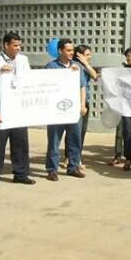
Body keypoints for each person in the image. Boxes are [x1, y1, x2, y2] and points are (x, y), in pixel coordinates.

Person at [0, 32, 35, 190]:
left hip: (19, 105)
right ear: (6, 45)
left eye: (19, 45)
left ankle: (21, 174)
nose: (18, 48)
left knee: (21, 141)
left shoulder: (23, 60)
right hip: (2, 104)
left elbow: (29, 81)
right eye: (15, 45)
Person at [45, 38, 87, 181]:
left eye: (72, 50)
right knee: (54, 140)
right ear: (60, 51)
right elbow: (48, 86)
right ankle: (52, 169)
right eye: (68, 50)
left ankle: (73, 167)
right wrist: (68, 72)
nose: (71, 53)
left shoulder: (77, 66)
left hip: (74, 109)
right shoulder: (51, 66)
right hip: (56, 111)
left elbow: (82, 86)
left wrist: (82, 104)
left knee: (75, 139)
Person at [70, 44, 98, 167]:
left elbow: (95, 76)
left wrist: (86, 63)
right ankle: (71, 157)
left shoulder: (85, 66)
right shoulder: (74, 66)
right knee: (74, 131)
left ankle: (76, 156)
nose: (90, 56)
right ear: (79, 55)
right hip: (74, 102)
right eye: (87, 54)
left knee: (81, 131)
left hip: (85, 101)